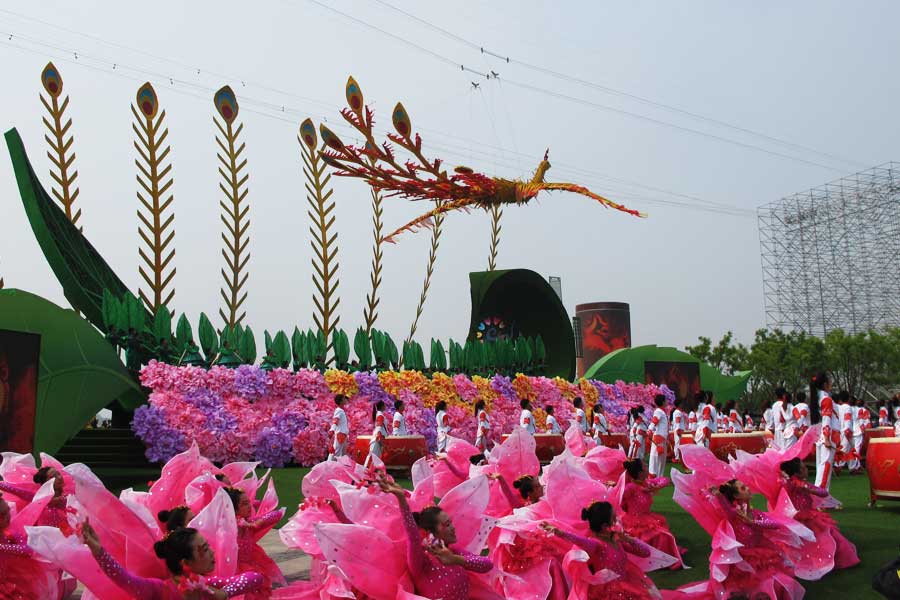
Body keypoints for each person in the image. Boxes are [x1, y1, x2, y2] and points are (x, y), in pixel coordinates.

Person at [377, 476, 493, 600]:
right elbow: (413, 537)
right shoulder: (421, 562)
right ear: (429, 531)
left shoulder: (454, 553)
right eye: (446, 525)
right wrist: (401, 499)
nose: (453, 528)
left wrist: (456, 559)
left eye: (451, 522)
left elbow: (487, 565)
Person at [82, 520, 265, 599]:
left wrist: (222, 594)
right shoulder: (159, 590)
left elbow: (255, 578)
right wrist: (99, 551)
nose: (212, 553)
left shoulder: (208, 585)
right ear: (185, 563)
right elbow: (124, 579)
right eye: (204, 550)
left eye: (208, 547)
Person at [540, 501, 661, 599]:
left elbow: (646, 552)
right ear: (604, 526)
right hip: (608, 593)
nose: (618, 520)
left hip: (628, 584)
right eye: (614, 518)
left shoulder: (617, 540)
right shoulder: (596, 544)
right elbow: (579, 540)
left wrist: (628, 539)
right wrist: (560, 533)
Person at [779, 458, 859, 575]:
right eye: (804, 468)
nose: (806, 469)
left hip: (808, 517)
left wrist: (808, 489)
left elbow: (823, 493)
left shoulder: (803, 484)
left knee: (829, 536)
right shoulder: (790, 485)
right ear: (796, 473)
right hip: (799, 520)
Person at [0, 496, 69, 599]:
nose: (8, 516)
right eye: (2, 515)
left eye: (8, 511)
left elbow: (29, 550)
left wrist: (2, 547)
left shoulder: (10, 536)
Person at [621, 458, 683, 568]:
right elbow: (618, 498)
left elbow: (666, 479)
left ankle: (664, 557)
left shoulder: (647, 483)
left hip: (647, 518)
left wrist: (655, 487)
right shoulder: (630, 488)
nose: (647, 467)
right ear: (640, 472)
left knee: (665, 534)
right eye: (645, 466)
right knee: (663, 536)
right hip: (634, 523)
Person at [224, 487, 286, 596]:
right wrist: (247, 523)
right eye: (244, 504)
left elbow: (277, 514)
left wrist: (259, 522)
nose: (249, 506)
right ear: (234, 508)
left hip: (251, 567)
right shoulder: (231, 525)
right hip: (237, 571)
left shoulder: (250, 523)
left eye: (249, 503)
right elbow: (238, 522)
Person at [812, 373, 840, 495]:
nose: (831, 384)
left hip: (821, 435)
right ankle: (820, 496)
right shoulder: (826, 399)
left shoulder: (817, 398)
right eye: (830, 382)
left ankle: (821, 495)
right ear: (825, 384)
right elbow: (827, 419)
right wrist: (827, 438)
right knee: (825, 467)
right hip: (827, 435)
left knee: (821, 467)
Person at [648, 395, 669, 478]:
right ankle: (653, 475)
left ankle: (660, 477)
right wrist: (650, 430)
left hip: (663, 437)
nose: (667, 401)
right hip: (658, 437)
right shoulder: (658, 411)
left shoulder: (662, 412)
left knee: (662, 459)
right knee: (655, 457)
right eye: (666, 400)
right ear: (663, 402)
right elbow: (655, 420)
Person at [366, 400, 388, 468]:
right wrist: (379, 437)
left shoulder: (379, 414)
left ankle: (372, 473)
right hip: (377, 438)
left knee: (376, 458)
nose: (385, 406)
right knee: (373, 457)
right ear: (381, 406)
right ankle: (365, 471)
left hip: (379, 437)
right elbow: (379, 426)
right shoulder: (380, 415)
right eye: (384, 405)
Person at [328, 394, 349, 460]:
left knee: (342, 453)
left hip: (343, 434)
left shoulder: (341, 410)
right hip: (341, 434)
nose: (346, 400)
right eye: (344, 399)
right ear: (340, 401)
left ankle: (339, 468)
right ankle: (329, 466)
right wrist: (332, 430)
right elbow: (335, 421)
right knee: (336, 452)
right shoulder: (339, 411)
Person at [671, 398, 686, 463]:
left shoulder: (677, 412)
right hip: (678, 429)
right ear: (679, 404)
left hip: (678, 429)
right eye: (682, 403)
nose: (683, 405)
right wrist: (678, 430)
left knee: (678, 443)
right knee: (678, 443)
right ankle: (677, 458)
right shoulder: (678, 412)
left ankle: (677, 457)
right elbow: (678, 422)